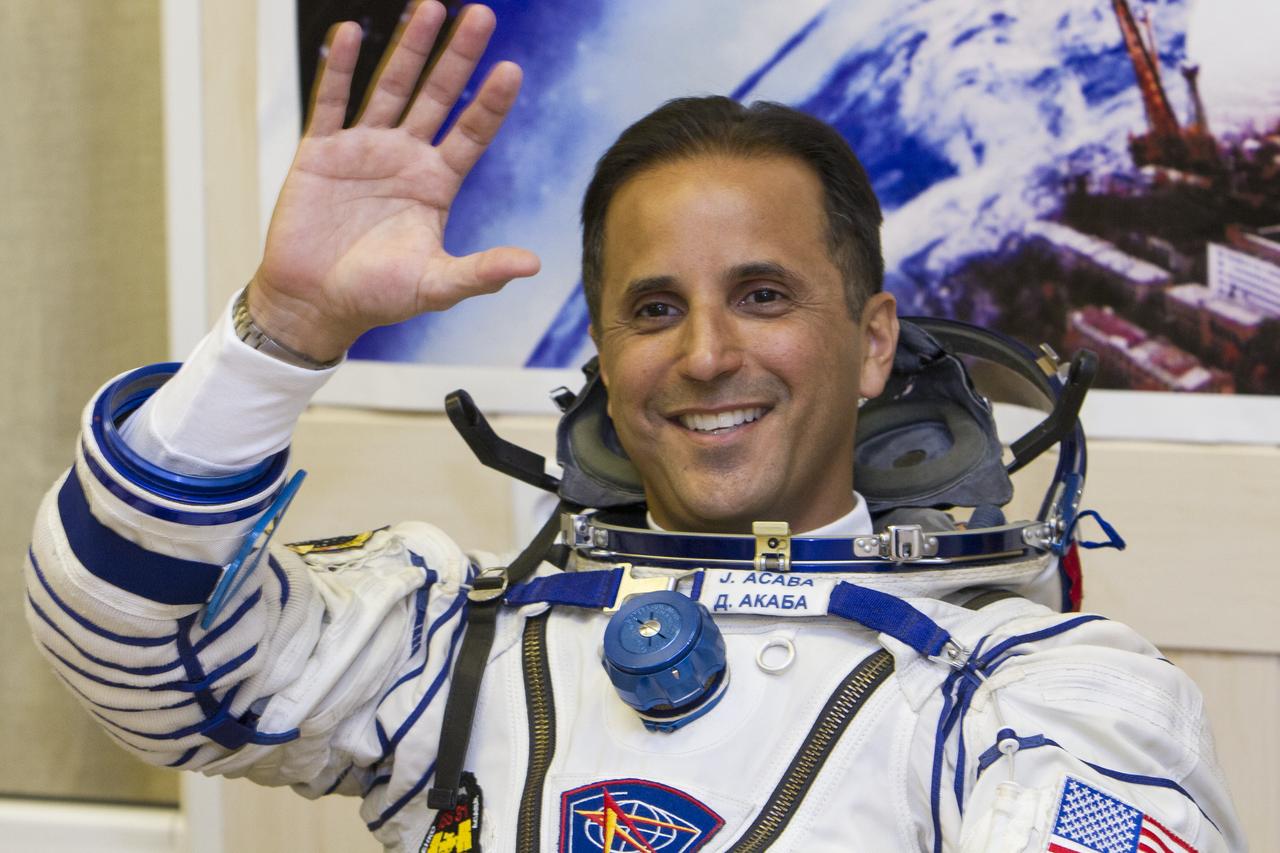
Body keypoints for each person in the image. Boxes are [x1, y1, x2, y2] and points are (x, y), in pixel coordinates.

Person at [26, 3, 1243, 851]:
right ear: (603, 362)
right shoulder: (456, 647)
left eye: (762, 296)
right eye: (652, 309)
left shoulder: (1040, 703)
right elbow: (133, 643)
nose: (706, 354)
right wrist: (279, 333)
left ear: (873, 342)